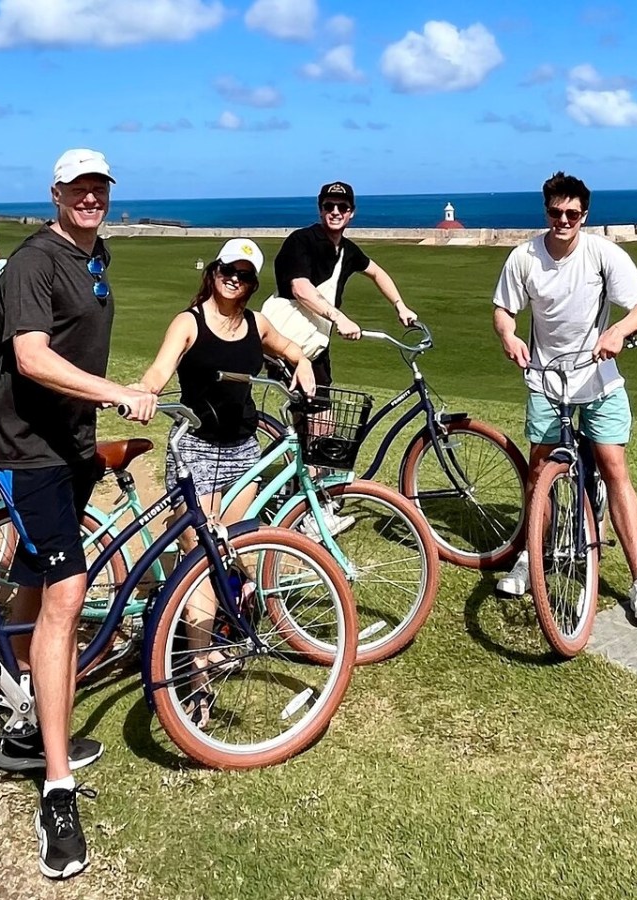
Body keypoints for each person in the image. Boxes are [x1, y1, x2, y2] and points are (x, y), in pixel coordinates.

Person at [0, 148, 156, 879]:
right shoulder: (33, 261)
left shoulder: (94, 255)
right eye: (78, 188)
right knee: (67, 596)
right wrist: (116, 392)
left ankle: (22, 716)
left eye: (99, 188)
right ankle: (57, 786)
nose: (91, 198)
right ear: (55, 193)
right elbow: (30, 357)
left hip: (71, 446)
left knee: (33, 577)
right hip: (30, 452)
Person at [136, 238, 315, 727]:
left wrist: (301, 363)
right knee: (199, 560)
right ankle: (198, 674)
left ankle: (214, 636)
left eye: (244, 274)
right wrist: (143, 391)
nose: (234, 279)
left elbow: (290, 348)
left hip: (242, 452)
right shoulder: (189, 322)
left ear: (253, 283)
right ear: (214, 271)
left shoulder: (256, 324)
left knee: (235, 551)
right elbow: (159, 370)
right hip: (196, 450)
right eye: (227, 270)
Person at [492, 172, 637, 622]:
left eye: (572, 213)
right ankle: (532, 557)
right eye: (556, 212)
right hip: (546, 380)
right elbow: (504, 309)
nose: (563, 220)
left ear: (585, 215)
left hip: (598, 380)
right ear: (545, 211)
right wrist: (509, 335)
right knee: (540, 472)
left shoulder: (602, 254)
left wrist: (618, 331)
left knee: (614, 468)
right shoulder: (524, 257)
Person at [270, 180, 417, 390]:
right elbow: (300, 288)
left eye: (343, 207)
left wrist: (400, 305)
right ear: (321, 210)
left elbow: (377, 272)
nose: (335, 212)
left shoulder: (348, 251)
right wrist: (340, 318)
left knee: (321, 406)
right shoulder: (301, 240)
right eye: (329, 206)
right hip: (286, 342)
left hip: (316, 345)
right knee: (305, 404)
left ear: (351, 213)